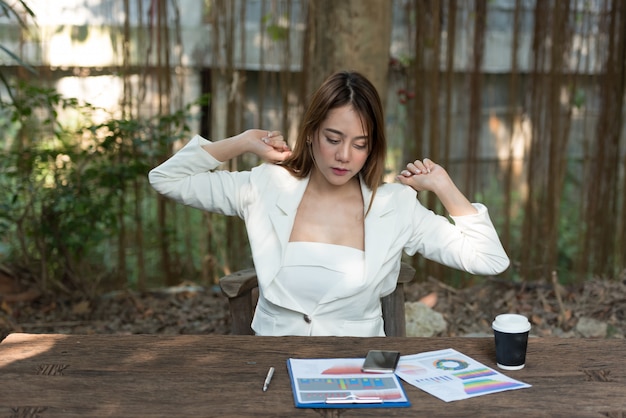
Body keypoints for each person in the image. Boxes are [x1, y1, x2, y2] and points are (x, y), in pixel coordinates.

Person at [149, 70, 510, 337]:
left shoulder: (395, 206)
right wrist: (242, 142)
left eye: (359, 144)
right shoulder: (266, 185)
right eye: (333, 138)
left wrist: (444, 186)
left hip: (356, 367)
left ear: (373, 147)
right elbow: (166, 179)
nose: (343, 156)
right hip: (271, 361)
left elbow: (489, 259)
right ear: (310, 134)